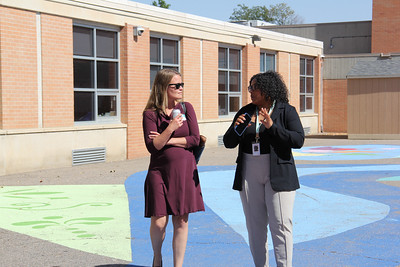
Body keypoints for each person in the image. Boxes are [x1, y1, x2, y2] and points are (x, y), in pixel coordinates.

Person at [223, 71, 304, 267]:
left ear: (267, 89)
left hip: (278, 171)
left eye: (254, 87)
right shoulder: (245, 111)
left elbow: (298, 140)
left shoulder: (286, 111)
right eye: (250, 87)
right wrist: (236, 127)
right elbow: (228, 142)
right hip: (249, 170)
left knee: (281, 225)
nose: (250, 91)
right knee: (255, 227)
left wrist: (272, 126)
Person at [142, 68, 205, 267]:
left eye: (181, 84)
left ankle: (178, 265)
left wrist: (168, 140)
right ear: (163, 87)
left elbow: (195, 139)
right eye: (175, 85)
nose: (180, 88)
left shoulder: (187, 108)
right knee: (159, 220)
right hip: (159, 171)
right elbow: (153, 146)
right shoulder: (150, 114)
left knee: (181, 220)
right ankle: (157, 258)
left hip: (184, 170)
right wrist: (170, 127)